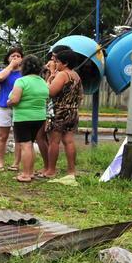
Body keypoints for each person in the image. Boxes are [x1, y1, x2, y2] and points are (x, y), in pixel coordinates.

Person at [41, 49, 83, 180]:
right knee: (69, 141)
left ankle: (51, 170)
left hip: (59, 111)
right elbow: (80, 95)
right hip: (72, 111)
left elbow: (50, 92)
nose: (55, 63)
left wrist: (49, 79)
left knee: (54, 141)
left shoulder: (62, 74)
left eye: (57, 61)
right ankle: (71, 170)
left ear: (65, 63)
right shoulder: (75, 75)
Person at [7, 55, 50, 183]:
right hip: (39, 117)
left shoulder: (21, 81)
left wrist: (9, 102)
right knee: (30, 144)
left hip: (23, 118)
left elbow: (15, 100)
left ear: (24, 67)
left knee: (25, 145)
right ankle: (30, 172)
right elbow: (46, 97)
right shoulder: (42, 82)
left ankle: (25, 174)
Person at [0, 47, 24, 170]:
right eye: (13, 56)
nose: (15, 58)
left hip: (20, 108)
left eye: (18, 56)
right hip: (4, 107)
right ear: (8, 58)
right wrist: (11, 66)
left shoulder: (25, 73)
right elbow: (0, 78)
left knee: (19, 136)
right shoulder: (3, 70)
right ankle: (0, 163)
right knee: (2, 136)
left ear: (22, 58)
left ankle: (16, 164)